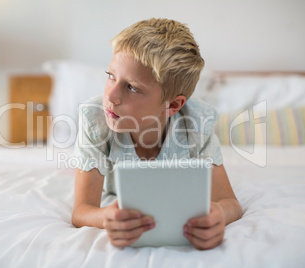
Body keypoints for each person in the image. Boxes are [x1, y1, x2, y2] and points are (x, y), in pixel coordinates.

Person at [71, 18, 242, 250]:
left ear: (172, 105)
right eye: (111, 75)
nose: (111, 96)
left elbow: (230, 202)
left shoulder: (196, 124)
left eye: (132, 87)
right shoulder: (96, 121)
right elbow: (82, 211)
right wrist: (105, 217)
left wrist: (218, 214)